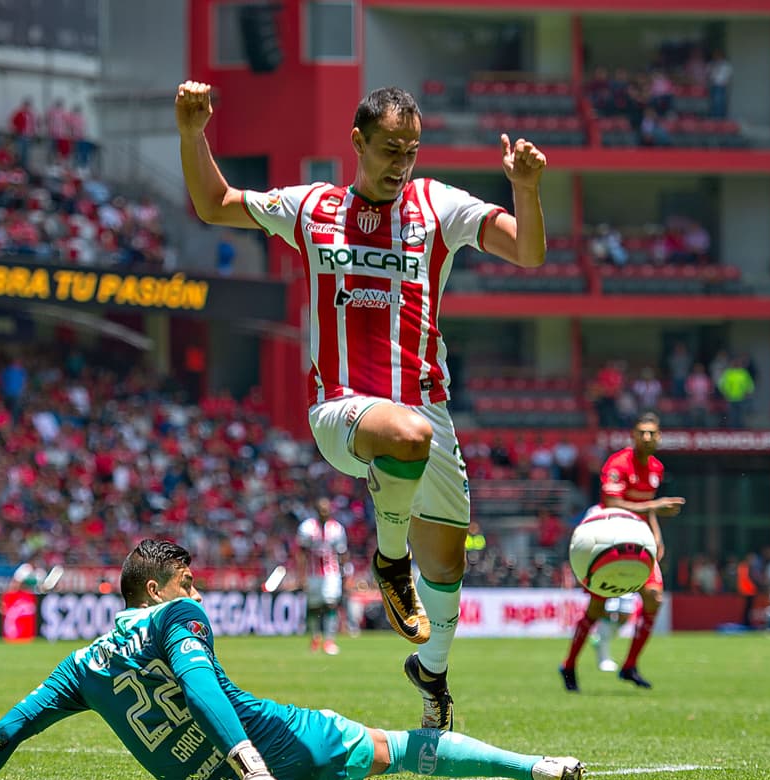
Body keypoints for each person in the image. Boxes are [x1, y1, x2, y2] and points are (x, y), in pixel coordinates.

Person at [175, 80, 549, 731]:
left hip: (429, 413)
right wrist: (192, 133)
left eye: (410, 148)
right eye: (387, 147)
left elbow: (529, 250)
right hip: (342, 410)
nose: (400, 161)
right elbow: (214, 203)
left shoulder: (438, 205)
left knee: (450, 566)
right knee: (403, 438)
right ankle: (389, 557)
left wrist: (527, 188)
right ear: (357, 141)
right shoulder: (312, 207)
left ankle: (431, 673)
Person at [0, 539, 585, 780]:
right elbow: (197, 685)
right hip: (267, 748)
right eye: (187, 578)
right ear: (155, 588)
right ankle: (538, 769)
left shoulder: (81, 665)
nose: (196, 588)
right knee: (398, 745)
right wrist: (252, 763)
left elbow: (10, 727)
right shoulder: (176, 615)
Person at [559, 412, 685, 691]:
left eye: (652, 433)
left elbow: (647, 505)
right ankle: (568, 666)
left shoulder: (656, 468)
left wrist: (657, 534)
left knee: (653, 597)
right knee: (597, 607)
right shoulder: (618, 464)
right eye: (642, 432)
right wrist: (655, 507)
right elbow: (613, 502)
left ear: (660, 437)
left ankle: (629, 666)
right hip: (610, 538)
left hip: (639, 539)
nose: (647, 437)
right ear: (633, 435)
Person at [296, 497, 348, 654]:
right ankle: (315, 637)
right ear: (316, 510)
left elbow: (342, 553)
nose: (324, 512)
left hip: (332, 574)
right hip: (312, 574)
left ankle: (329, 640)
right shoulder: (307, 527)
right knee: (314, 606)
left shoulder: (337, 529)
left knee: (331, 603)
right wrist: (302, 576)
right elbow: (301, 553)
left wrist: (344, 573)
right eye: (321, 510)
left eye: (326, 510)